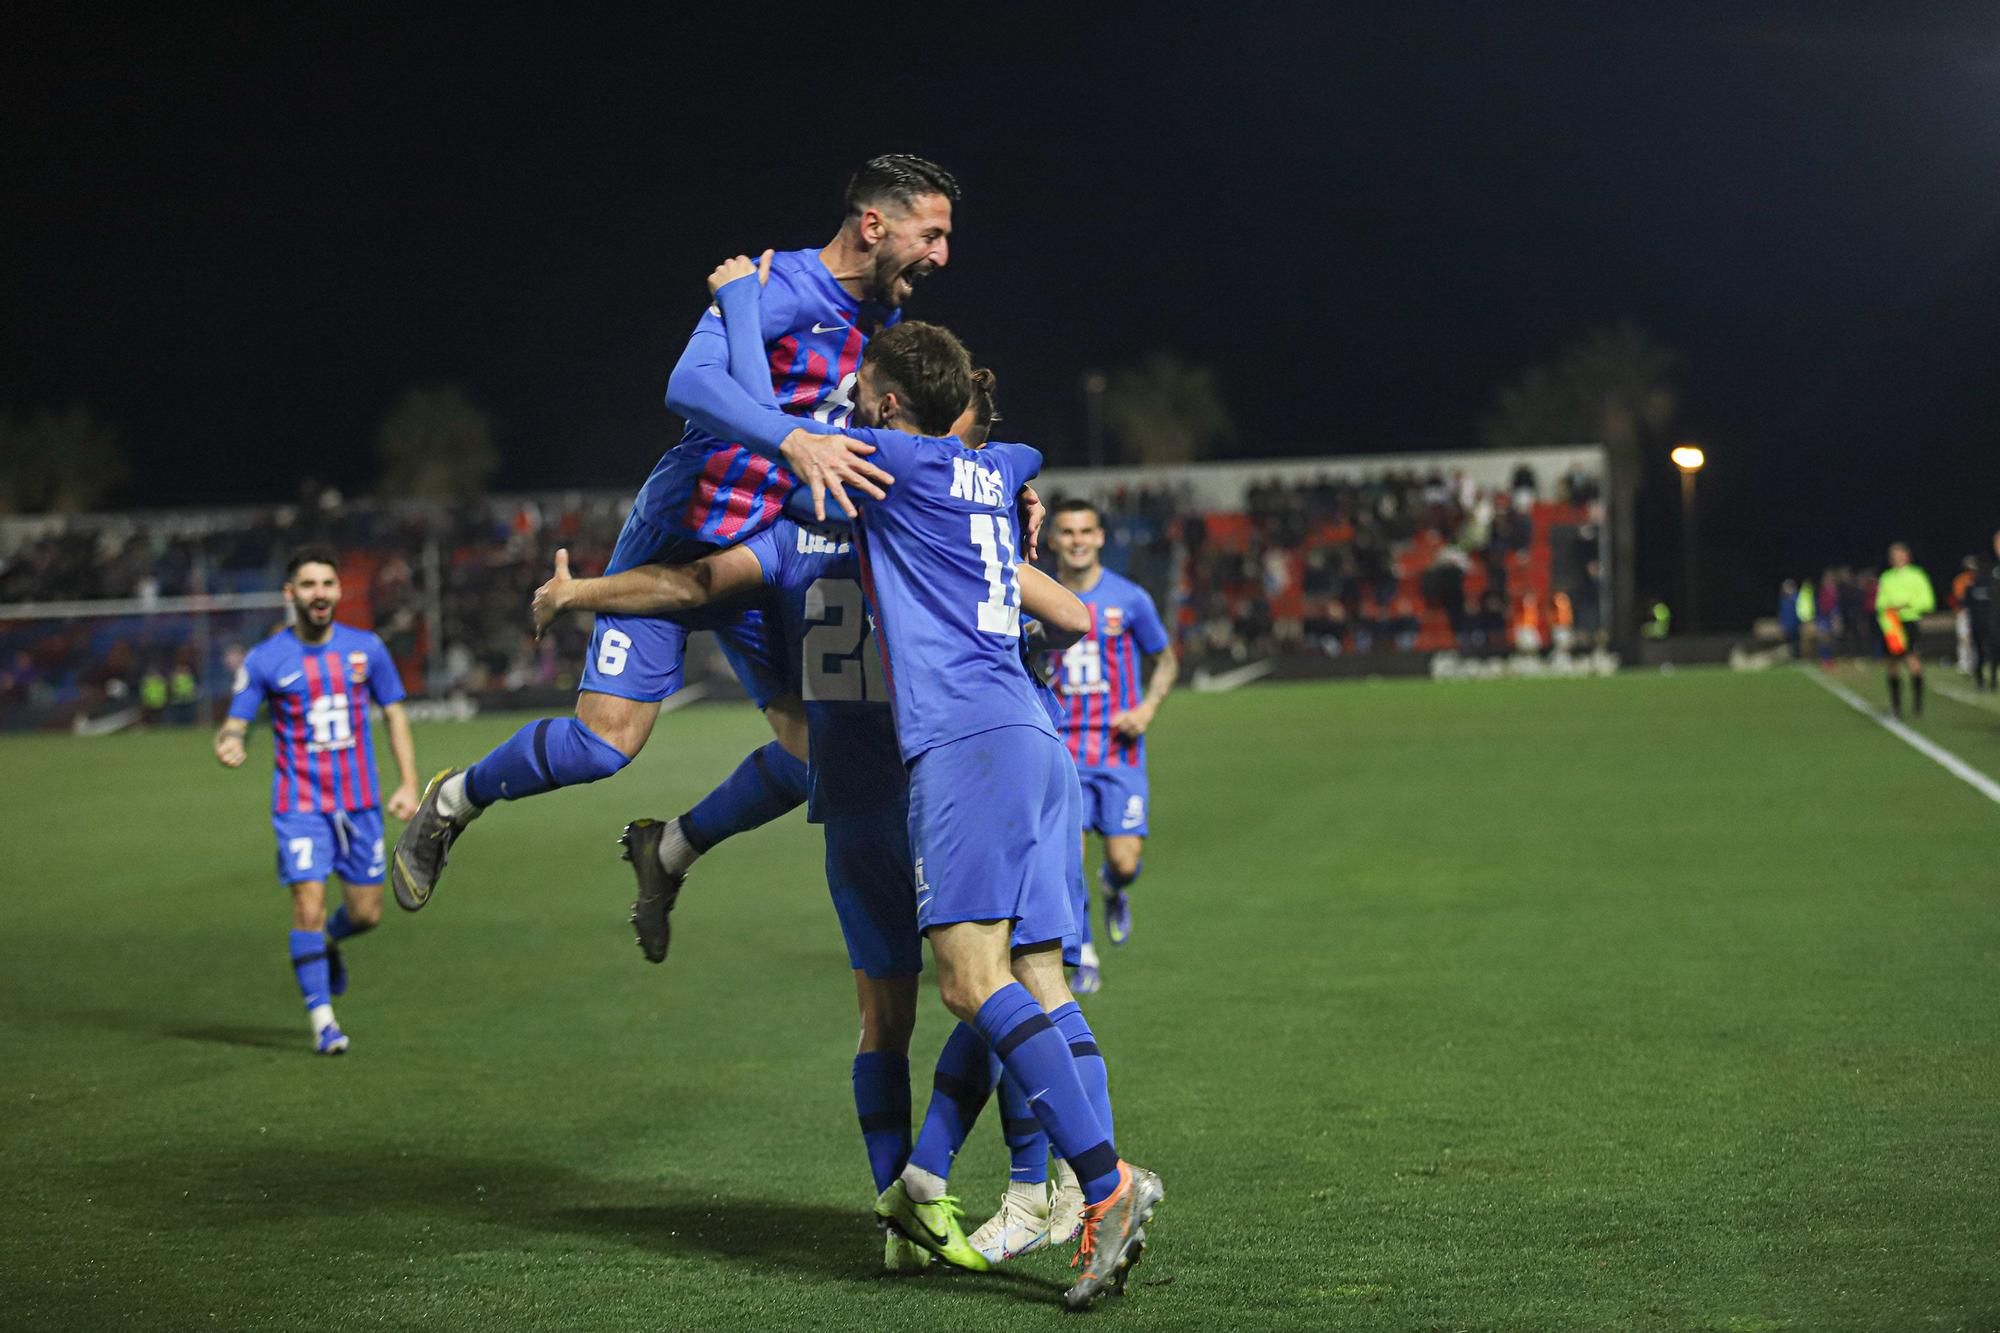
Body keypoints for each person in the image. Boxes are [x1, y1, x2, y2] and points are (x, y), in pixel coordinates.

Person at [530, 363, 1095, 1273]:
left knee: (886, 1022)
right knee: (995, 986)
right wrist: (1010, 541)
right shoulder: (919, 530)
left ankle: (901, 1214)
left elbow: (685, 583)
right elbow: (1068, 610)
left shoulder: (792, 542)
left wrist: (576, 595)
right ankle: (1024, 1180)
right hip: (940, 783)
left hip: (851, 799)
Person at [391, 155, 962, 913]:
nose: (942, 256)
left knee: (818, 753)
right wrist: (790, 441)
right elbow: (688, 385)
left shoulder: (883, 320)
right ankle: (453, 800)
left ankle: (670, 847)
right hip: (684, 533)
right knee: (604, 746)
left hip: (769, 553)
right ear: (873, 224)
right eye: (932, 234)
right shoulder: (769, 286)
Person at [213, 547, 419, 1053]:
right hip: (299, 804)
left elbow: (394, 714)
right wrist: (231, 739)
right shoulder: (266, 658)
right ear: (290, 594)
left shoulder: (366, 649)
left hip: (361, 804)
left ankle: (322, 943)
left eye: (327, 583)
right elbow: (236, 720)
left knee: (367, 914)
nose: (320, 593)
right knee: (307, 899)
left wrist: (408, 783)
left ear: (337, 591)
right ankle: (324, 1022)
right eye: (308, 585)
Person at [1044, 499, 1178, 993]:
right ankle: (1084, 953)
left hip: (1119, 752)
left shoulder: (1130, 599)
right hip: (1062, 750)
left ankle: (1113, 890)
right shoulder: (1039, 594)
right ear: (1053, 539)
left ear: (1101, 538)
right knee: (1066, 860)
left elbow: (1165, 660)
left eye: (1086, 531)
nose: (1077, 540)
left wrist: (1145, 710)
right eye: (1067, 532)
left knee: (1124, 862)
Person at [1875, 542, 1936, 718]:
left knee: (1913, 661)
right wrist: (1890, 607)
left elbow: (1927, 601)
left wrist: (1908, 605)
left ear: (1907, 556)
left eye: (1900, 554)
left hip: (1909, 622)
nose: (1897, 558)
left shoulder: (1917, 575)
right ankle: (1896, 706)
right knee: (1892, 664)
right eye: (1894, 555)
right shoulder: (1887, 577)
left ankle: (1917, 705)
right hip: (1892, 625)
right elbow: (1880, 602)